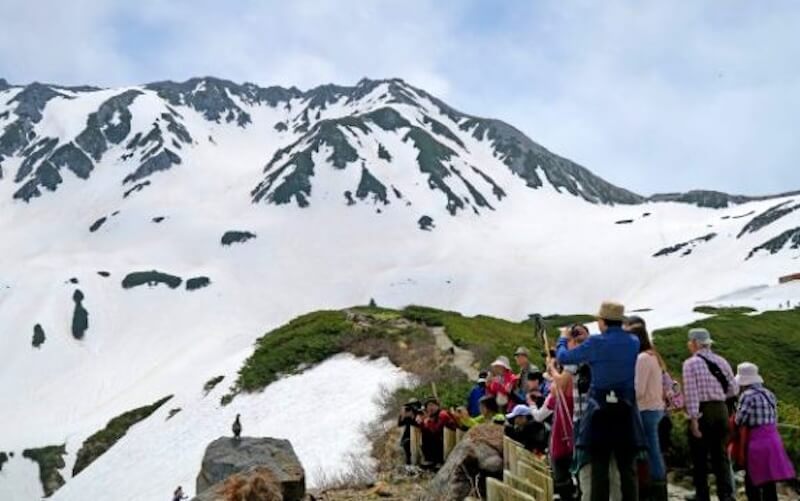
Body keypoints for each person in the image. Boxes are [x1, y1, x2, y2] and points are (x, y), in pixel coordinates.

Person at [557, 301, 643, 501]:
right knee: (627, 467)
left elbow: (564, 358)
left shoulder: (596, 343)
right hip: (626, 409)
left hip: (599, 410)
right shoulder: (633, 342)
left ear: (602, 321)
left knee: (600, 466)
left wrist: (563, 339)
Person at [682, 328, 737, 501]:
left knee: (699, 455)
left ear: (696, 343)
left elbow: (692, 394)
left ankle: (702, 494)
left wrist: (694, 420)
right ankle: (726, 495)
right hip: (721, 410)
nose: (689, 345)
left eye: (690, 342)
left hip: (703, 411)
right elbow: (733, 389)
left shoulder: (690, 364)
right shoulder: (722, 361)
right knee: (720, 454)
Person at [734, 362, 795, 501]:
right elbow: (775, 418)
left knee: (752, 481)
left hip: (757, 442)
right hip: (773, 440)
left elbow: (740, 420)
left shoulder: (747, 396)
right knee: (769, 481)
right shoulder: (769, 394)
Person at [629, 321, 668, 501]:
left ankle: (656, 487)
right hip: (656, 408)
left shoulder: (642, 359)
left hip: (647, 409)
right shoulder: (653, 357)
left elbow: (639, 390)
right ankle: (659, 487)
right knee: (654, 449)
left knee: (652, 450)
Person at [533, 358, 576, 501]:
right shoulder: (567, 396)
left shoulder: (560, 396)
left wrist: (531, 404)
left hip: (562, 443)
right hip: (567, 442)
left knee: (562, 479)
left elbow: (539, 416)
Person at [416, 397, 455, 468]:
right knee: (425, 435)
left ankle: (439, 461)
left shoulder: (442, 414)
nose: (430, 408)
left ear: (437, 406)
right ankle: (431, 460)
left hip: (449, 441)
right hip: (440, 439)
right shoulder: (431, 417)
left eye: (432, 405)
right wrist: (421, 423)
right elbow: (426, 430)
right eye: (428, 406)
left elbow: (436, 430)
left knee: (432, 435)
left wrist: (426, 422)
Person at [398, 398, 421, 465]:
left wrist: (413, 416)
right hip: (408, 437)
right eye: (412, 405)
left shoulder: (420, 412)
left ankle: (416, 462)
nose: (414, 407)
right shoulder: (407, 415)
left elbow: (419, 424)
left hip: (419, 436)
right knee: (407, 449)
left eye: (415, 404)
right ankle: (409, 464)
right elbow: (400, 424)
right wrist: (402, 414)